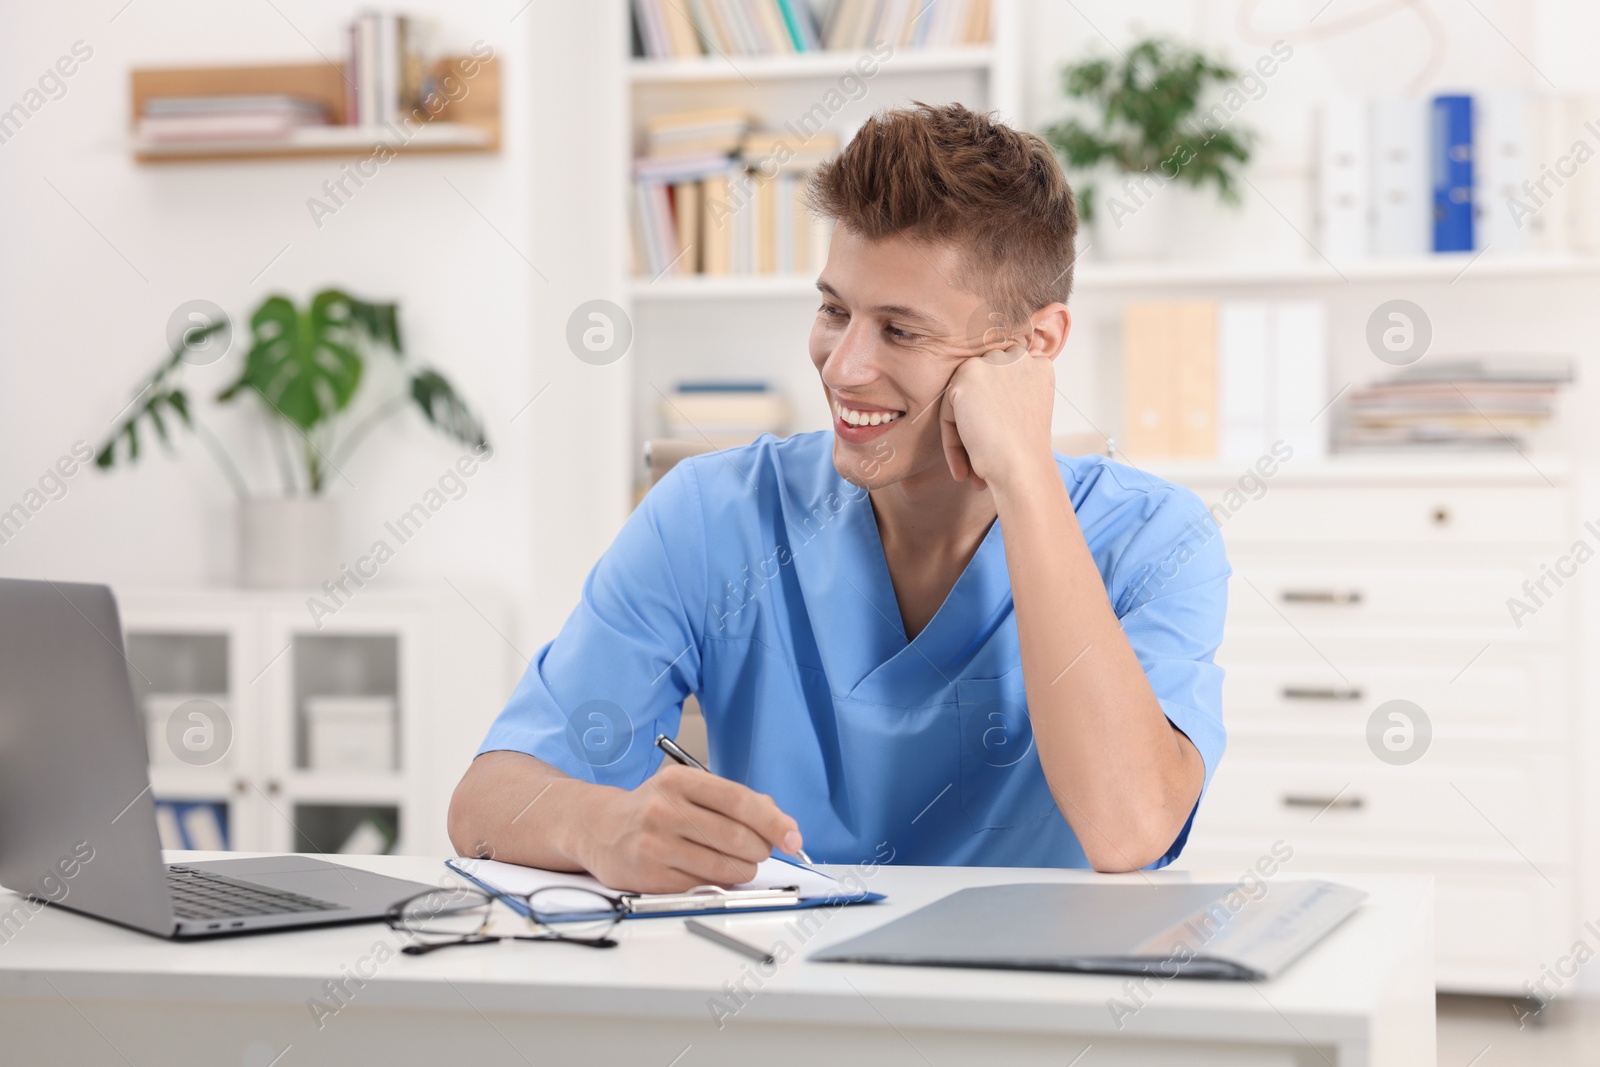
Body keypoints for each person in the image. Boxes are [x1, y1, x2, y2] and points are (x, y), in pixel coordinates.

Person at [449, 103, 1229, 893]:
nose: (843, 366)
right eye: (833, 310)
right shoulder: (712, 516)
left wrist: (1025, 477)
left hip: (1035, 1003)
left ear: (1032, 346)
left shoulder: (1155, 540)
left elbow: (1129, 829)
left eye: (900, 330)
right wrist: (601, 825)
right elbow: (483, 804)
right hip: (781, 985)